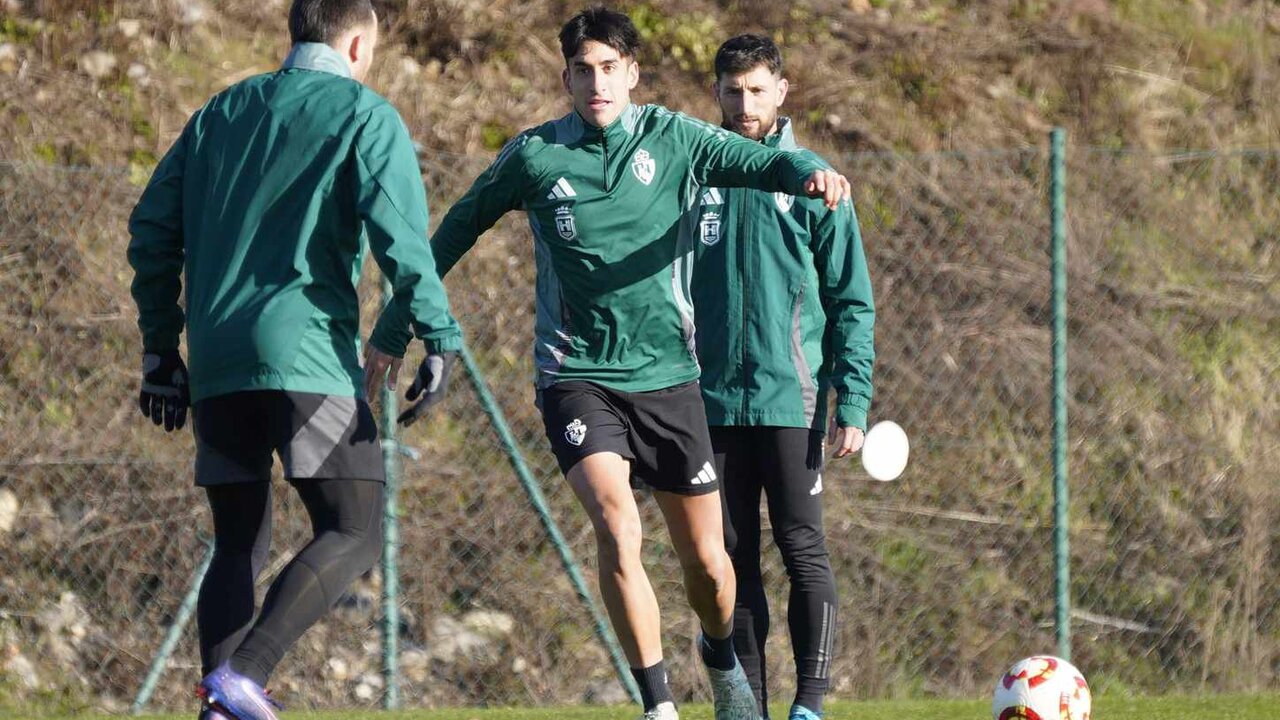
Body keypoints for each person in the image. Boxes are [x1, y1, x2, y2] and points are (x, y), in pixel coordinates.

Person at [425, 7, 852, 720]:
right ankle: (657, 705)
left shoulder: (677, 140)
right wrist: (401, 319)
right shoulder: (534, 156)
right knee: (618, 524)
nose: (596, 82)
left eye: (609, 69)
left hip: (672, 382)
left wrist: (812, 168)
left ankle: (719, 656)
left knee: (714, 572)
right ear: (566, 77)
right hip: (577, 376)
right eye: (582, 70)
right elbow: (455, 227)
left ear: (632, 75)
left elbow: (765, 160)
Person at [126, 2, 462, 718]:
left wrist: (161, 345)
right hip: (305, 354)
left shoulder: (219, 112)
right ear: (358, 42)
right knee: (354, 527)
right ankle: (244, 676)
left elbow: (152, 229)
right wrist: (439, 336)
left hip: (215, 360)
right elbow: (400, 240)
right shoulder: (364, 115)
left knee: (239, 540)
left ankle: (219, 711)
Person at [690, 34, 875, 720]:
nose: (744, 104)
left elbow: (852, 301)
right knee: (726, 561)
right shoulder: (692, 177)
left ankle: (811, 705)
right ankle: (751, 712)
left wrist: (851, 398)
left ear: (782, 92)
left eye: (757, 90)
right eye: (732, 91)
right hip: (706, 405)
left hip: (788, 400)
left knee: (802, 546)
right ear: (716, 92)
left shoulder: (816, 182)